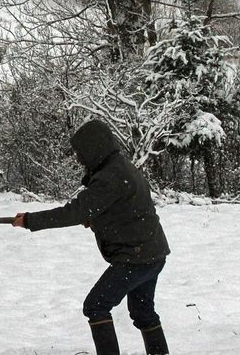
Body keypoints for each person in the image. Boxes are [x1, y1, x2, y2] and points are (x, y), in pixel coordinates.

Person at [12, 119, 170, 355]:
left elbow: (75, 211)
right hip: (152, 253)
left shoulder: (111, 176)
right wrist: (97, 219)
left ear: (94, 148)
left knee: (96, 305)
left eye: (81, 153)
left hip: (135, 256)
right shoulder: (121, 166)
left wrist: (29, 220)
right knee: (143, 311)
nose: (79, 159)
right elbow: (126, 209)